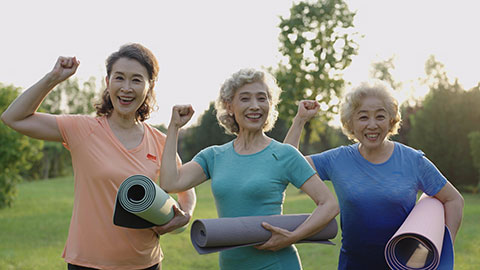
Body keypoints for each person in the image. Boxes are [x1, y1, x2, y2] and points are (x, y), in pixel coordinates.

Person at [1, 43, 196, 270]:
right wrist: (53, 78)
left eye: (136, 80)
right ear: (107, 82)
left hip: (145, 263)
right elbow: (13, 117)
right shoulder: (82, 129)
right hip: (86, 263)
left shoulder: (161, 140)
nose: (126, 88)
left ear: (149, 86)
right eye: (119, 78)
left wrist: (186, 214)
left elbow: (185, 188)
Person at [159, 68, 339, 270]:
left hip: (277, 264)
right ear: (229, 106)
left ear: (270, 105)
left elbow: (329, 204)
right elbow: (169, 183)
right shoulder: (214, 156)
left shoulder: (285, 154)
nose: (255, 106)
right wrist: (174, 127)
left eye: (262, 99)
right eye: (245, 99)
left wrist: (292, 237)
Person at [284, 81, 464, 269]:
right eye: (363, 117)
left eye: (380, 116)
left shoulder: (413, 160)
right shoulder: (337, 159)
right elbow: (288, 165)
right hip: (352, 265)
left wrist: (441, 251)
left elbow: (454, 200)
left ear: (391, 120)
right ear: (350, 123)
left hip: (402, 265)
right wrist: (300, 120)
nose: (372, 125)